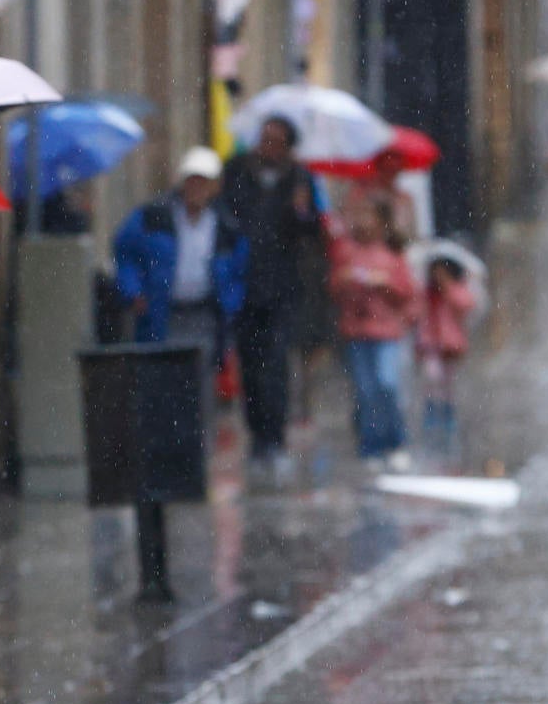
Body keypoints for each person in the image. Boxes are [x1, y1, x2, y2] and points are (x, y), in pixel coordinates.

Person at [220, 115, 327, 475]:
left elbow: (313, 229)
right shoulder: (237, 171)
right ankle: (257, 437)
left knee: (277, 364)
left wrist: (301, 212)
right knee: (250, 366)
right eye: (265, 139)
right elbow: (226, 216)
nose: (268, 147)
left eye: (276, 141)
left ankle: (276, 438)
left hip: (283, 287)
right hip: (245, 284)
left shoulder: (300, 179)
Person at [113, 145, 247, 370]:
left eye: (203, 182)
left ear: (215, 186)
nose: (197, 189)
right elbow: (125, 251)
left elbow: (239, 270)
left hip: (204, 315)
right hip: (163, 314)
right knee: (162, 373)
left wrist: (230, 304)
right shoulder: (154, 216)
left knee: (201, 374)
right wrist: (133, 291)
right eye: (192, 181)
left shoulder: (226, 227)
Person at [329, 194, 420, 470]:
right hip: (357, 332)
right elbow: (334, 289)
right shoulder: (347, 252)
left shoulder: (392, 255)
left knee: (387, 384)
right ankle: (371, 444)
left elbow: (406, 292)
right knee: (365, 390)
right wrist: (346, 281)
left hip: (386, 332)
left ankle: (396, 440)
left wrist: (384, 284)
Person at [418, 255, 478, 449]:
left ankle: (449, 419)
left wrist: (448, 288)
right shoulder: (427, 294)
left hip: (451, 346)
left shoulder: (457, 290)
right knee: (432, 379)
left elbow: (466, 305)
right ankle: (432, 417)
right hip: (431, 345)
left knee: (449, 386)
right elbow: (417, 313)